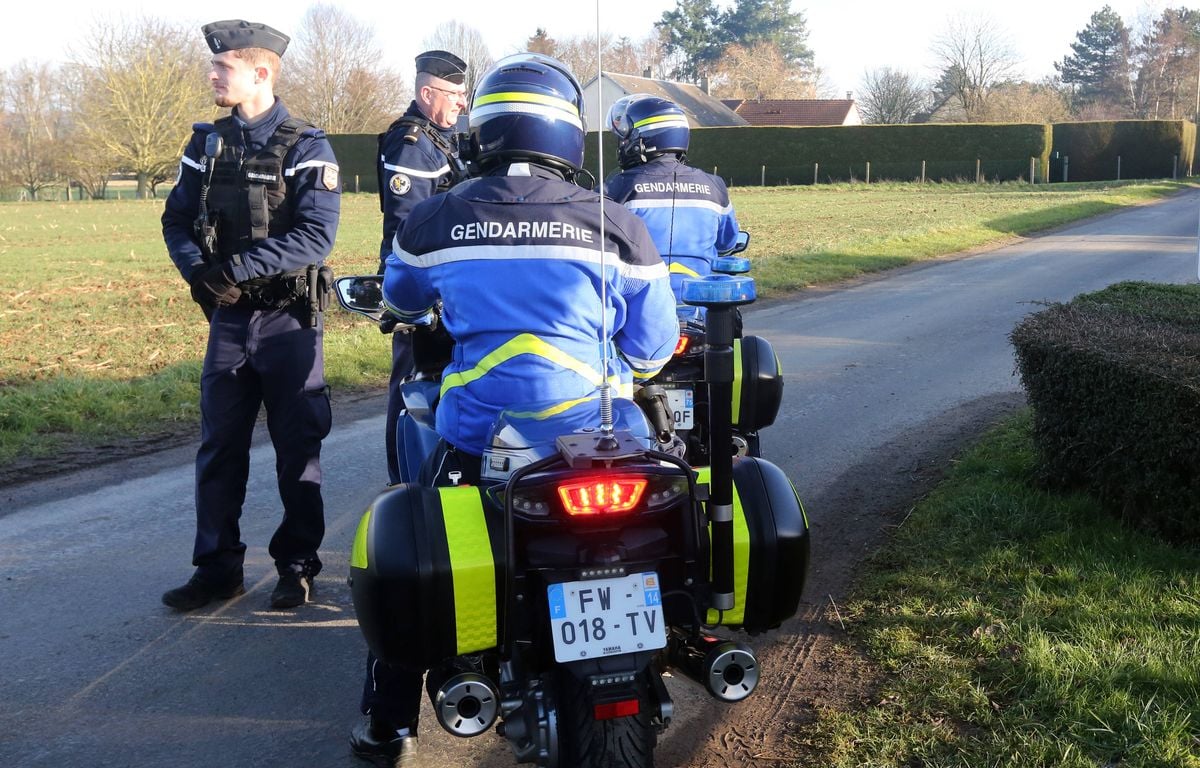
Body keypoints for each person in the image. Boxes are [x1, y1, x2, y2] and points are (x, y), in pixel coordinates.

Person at [348, 53, 679, 766]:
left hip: (480, 440)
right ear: (568, 135)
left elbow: (403, 304)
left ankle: (388, 723)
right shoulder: (617, 222)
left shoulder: (437, 218)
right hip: (604, 443)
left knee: (416, 540)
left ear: (483, 131)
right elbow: (651, 352)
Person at [160, 19, 341, 612]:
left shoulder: (306, 145)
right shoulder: (204, 144)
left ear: (259, 72)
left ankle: (296, 566)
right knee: (219, 448)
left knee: (298, 450)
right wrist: (199, 275)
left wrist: (231, 272)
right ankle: (217, 568)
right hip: (229, 325)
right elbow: (176, 221)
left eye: (223, 68)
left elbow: (315, 237)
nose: (212, 76)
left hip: (289, 322)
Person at [377, 50, 469, 486]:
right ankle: (405, 484)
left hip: (445, 280)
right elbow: (408, 225)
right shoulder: (414, 144)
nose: (462, 103)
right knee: (412, 384)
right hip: (421, 282)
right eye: (455, 94)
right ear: (426, 92)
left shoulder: (442, 140)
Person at [604, 94, 740, 303]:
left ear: (641, 139)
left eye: (625, 138)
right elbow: (727, 243)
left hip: (641, 309)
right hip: (701, 308)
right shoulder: (715, 186)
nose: (622, 145)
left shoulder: (618, 187)